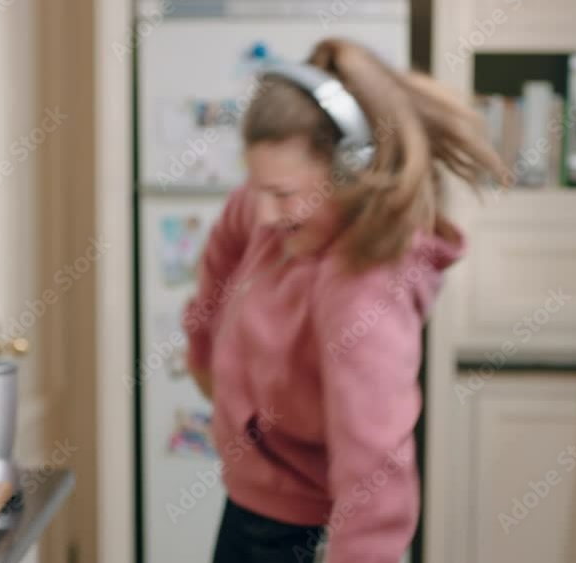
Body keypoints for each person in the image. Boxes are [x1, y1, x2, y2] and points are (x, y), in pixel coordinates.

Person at [182, 38, 508, 563]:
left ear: (350, 173)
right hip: (250, 495)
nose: (262, 213)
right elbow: (223, 250)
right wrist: (202, 350)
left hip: (295, 529)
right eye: (256, 185)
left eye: (284, 194)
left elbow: (377, 476)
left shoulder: (363, 290)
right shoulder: (271, 210)